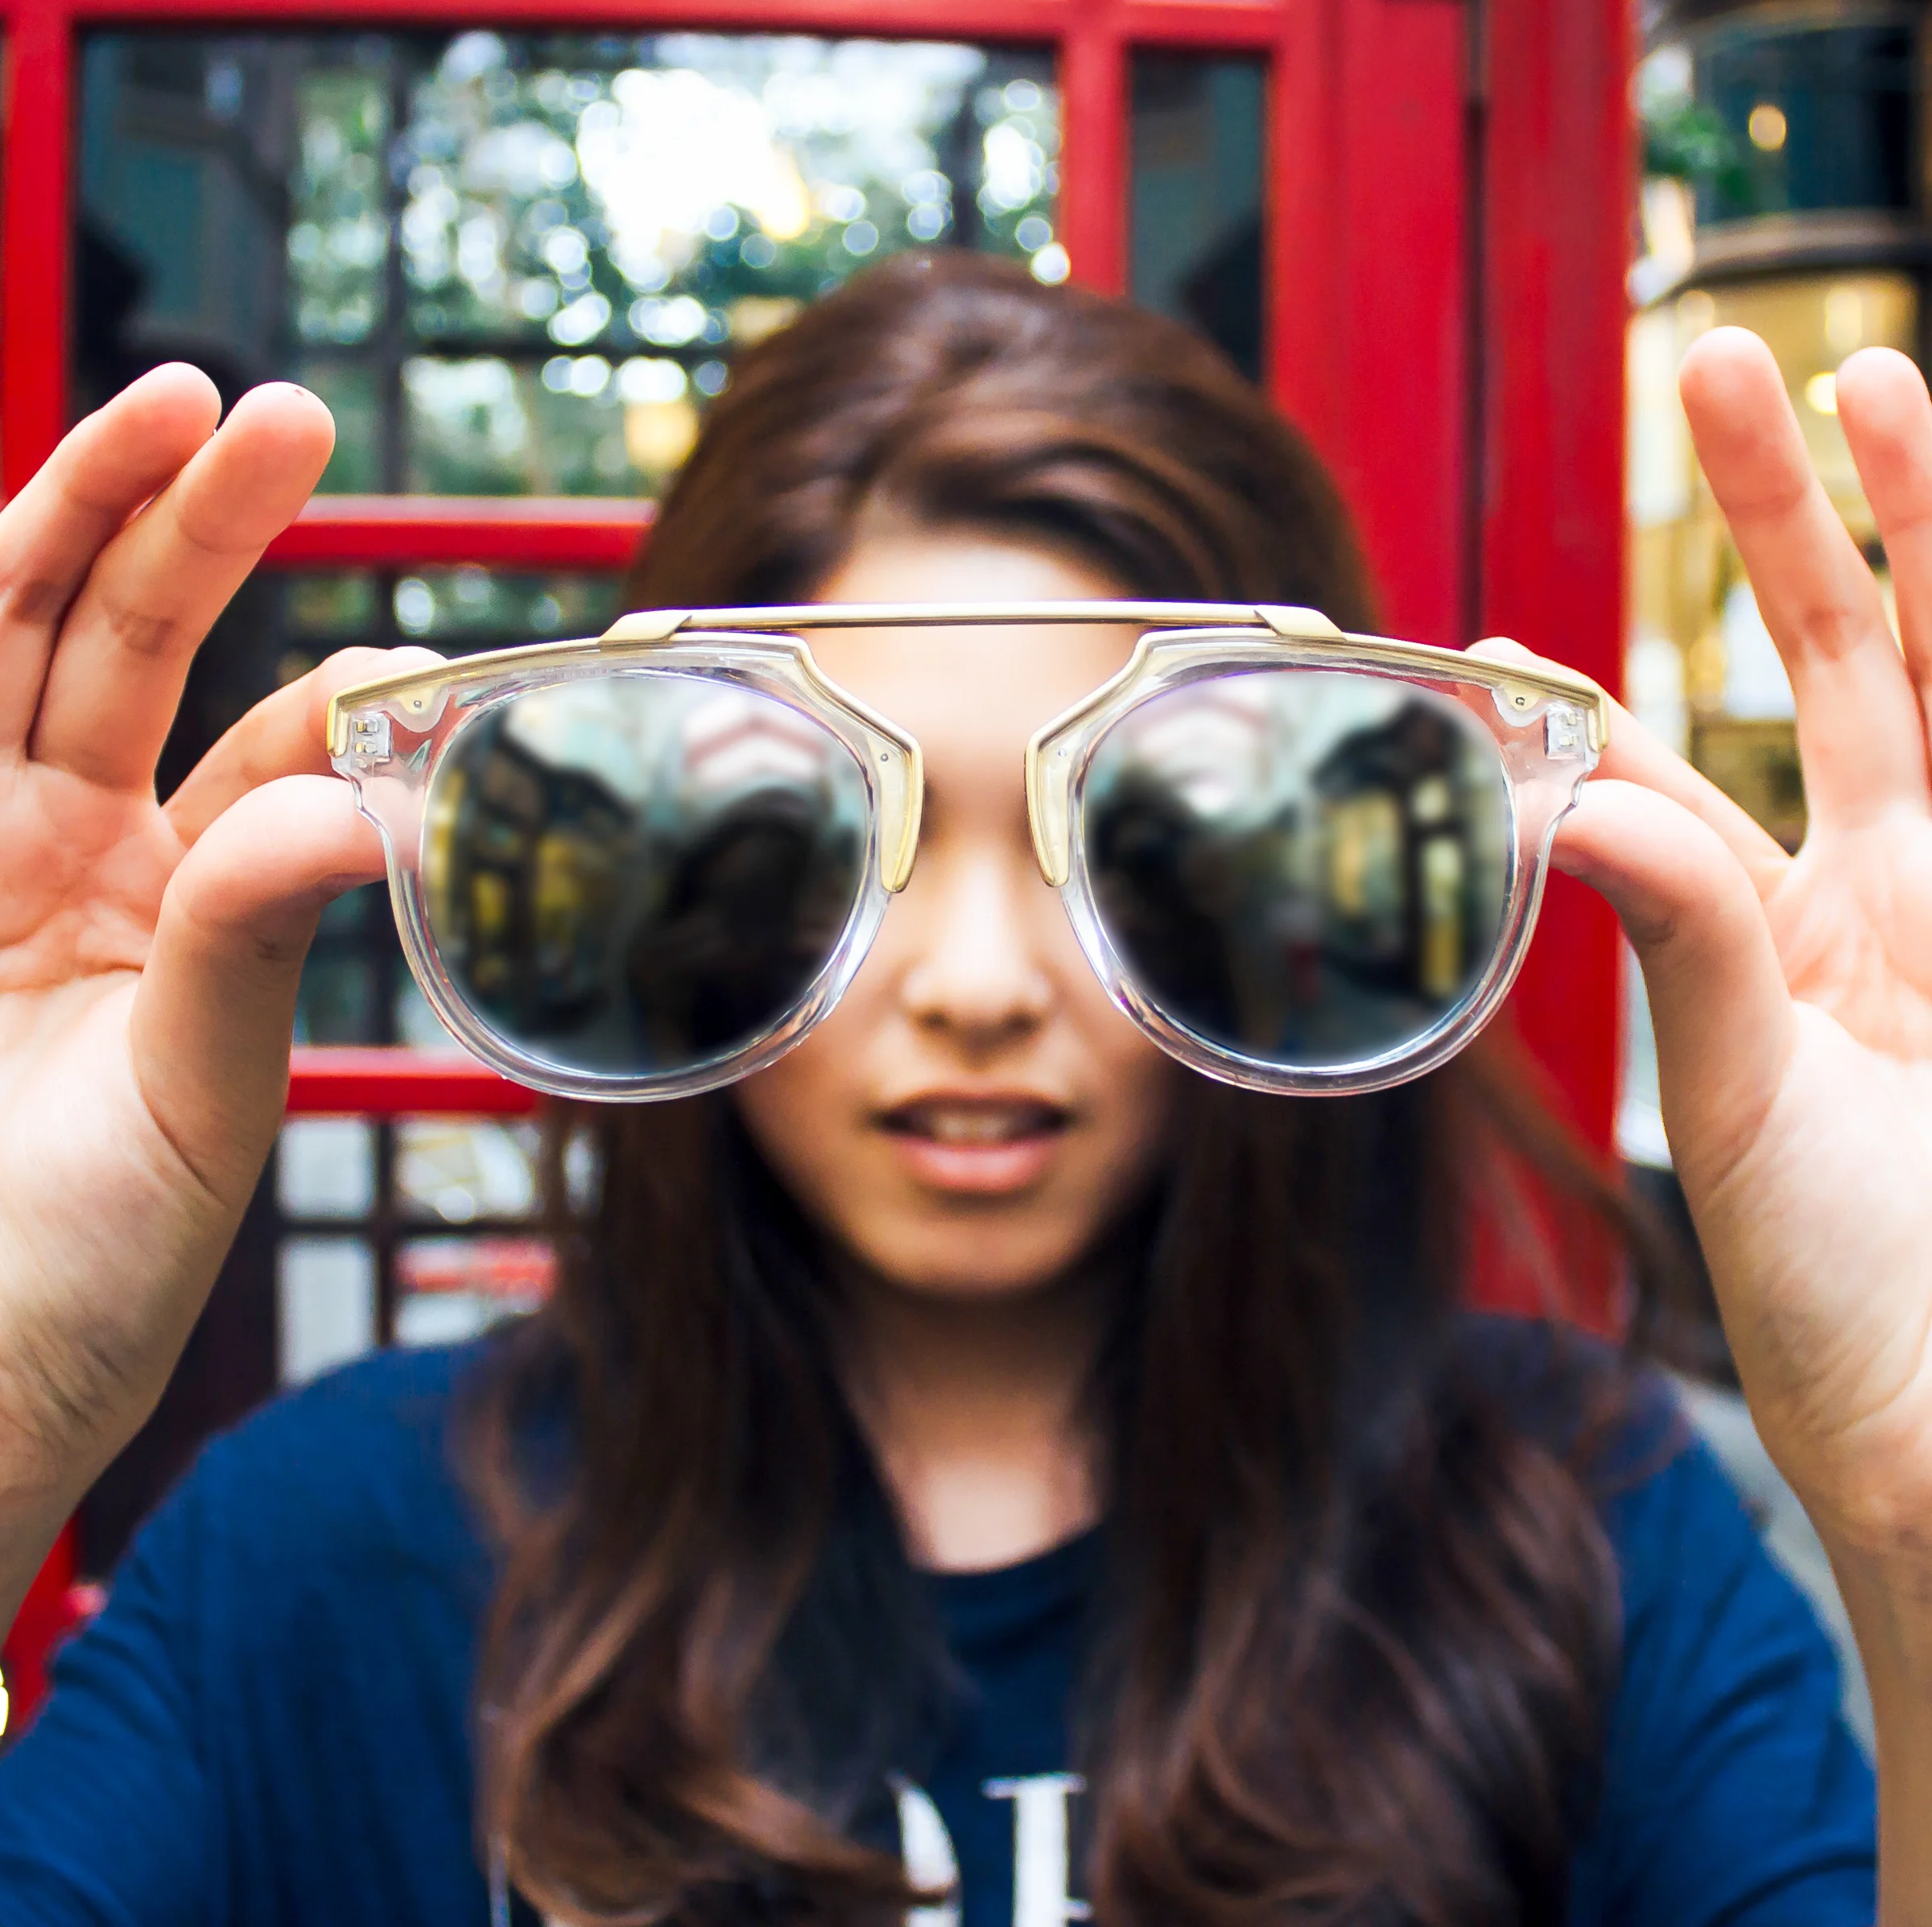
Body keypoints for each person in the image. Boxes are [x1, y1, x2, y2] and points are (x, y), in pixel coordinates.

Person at [0, 251, 1925, 1926]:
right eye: (836, 835)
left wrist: (1922, 1511)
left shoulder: (1587, 1537)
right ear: (678, 879)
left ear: (1274, 872)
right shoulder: (321, 1558)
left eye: (1121, 832)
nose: (986, 987)